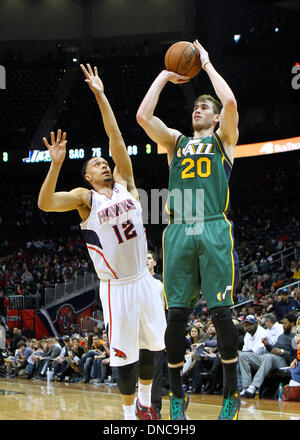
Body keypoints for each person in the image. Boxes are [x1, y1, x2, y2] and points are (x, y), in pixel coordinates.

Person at [38, 63, 166, 420]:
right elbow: (45, 203)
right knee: (124, 354)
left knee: (154, 344)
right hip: (116, 286)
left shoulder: (125, 181)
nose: (104, 165)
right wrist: (55, 165)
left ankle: (144, 400)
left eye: (104, 162)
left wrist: (100, 94)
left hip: (144, 279)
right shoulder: (85, 199)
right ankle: (127, 416)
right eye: (96, 164)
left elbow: (116, 139)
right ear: (87, 176)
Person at [137, 39, 240, 419]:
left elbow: (229, 103)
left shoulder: (223, 139)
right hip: (178, 230)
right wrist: (165, 75)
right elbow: (143, 118)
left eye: (204, 107)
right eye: (196, 106)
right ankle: (177, 396)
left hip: (212, 227)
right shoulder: (175, 142)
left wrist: (208, 65)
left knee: (221, 315)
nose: (198, 109)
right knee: (176, 317)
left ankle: (231, 394)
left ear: (213, 119)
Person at [239, 312, 297, 398]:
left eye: (285, 323)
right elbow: (273, 349)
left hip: (283, 361)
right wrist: (267, 345)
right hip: (271, 357)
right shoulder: (282, 335)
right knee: (243, 355)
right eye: (283, 323)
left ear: (292, 323)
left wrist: (282, 351)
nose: (283, 326)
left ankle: (253, 387)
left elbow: (294, 356)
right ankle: (246, 387)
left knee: (269, 357)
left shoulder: (296, 336)